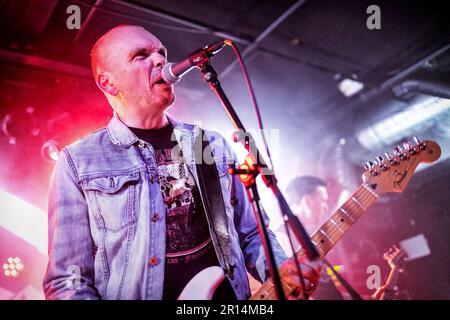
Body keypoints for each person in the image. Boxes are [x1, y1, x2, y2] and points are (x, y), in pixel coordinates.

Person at [43, 25, 321, 300]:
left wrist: (280, 269)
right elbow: (67, 280)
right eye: (141, 55)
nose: (160, 60)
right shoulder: (79, 162)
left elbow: (249, 234)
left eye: (161, 52)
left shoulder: (209, 145)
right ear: (108, 82)